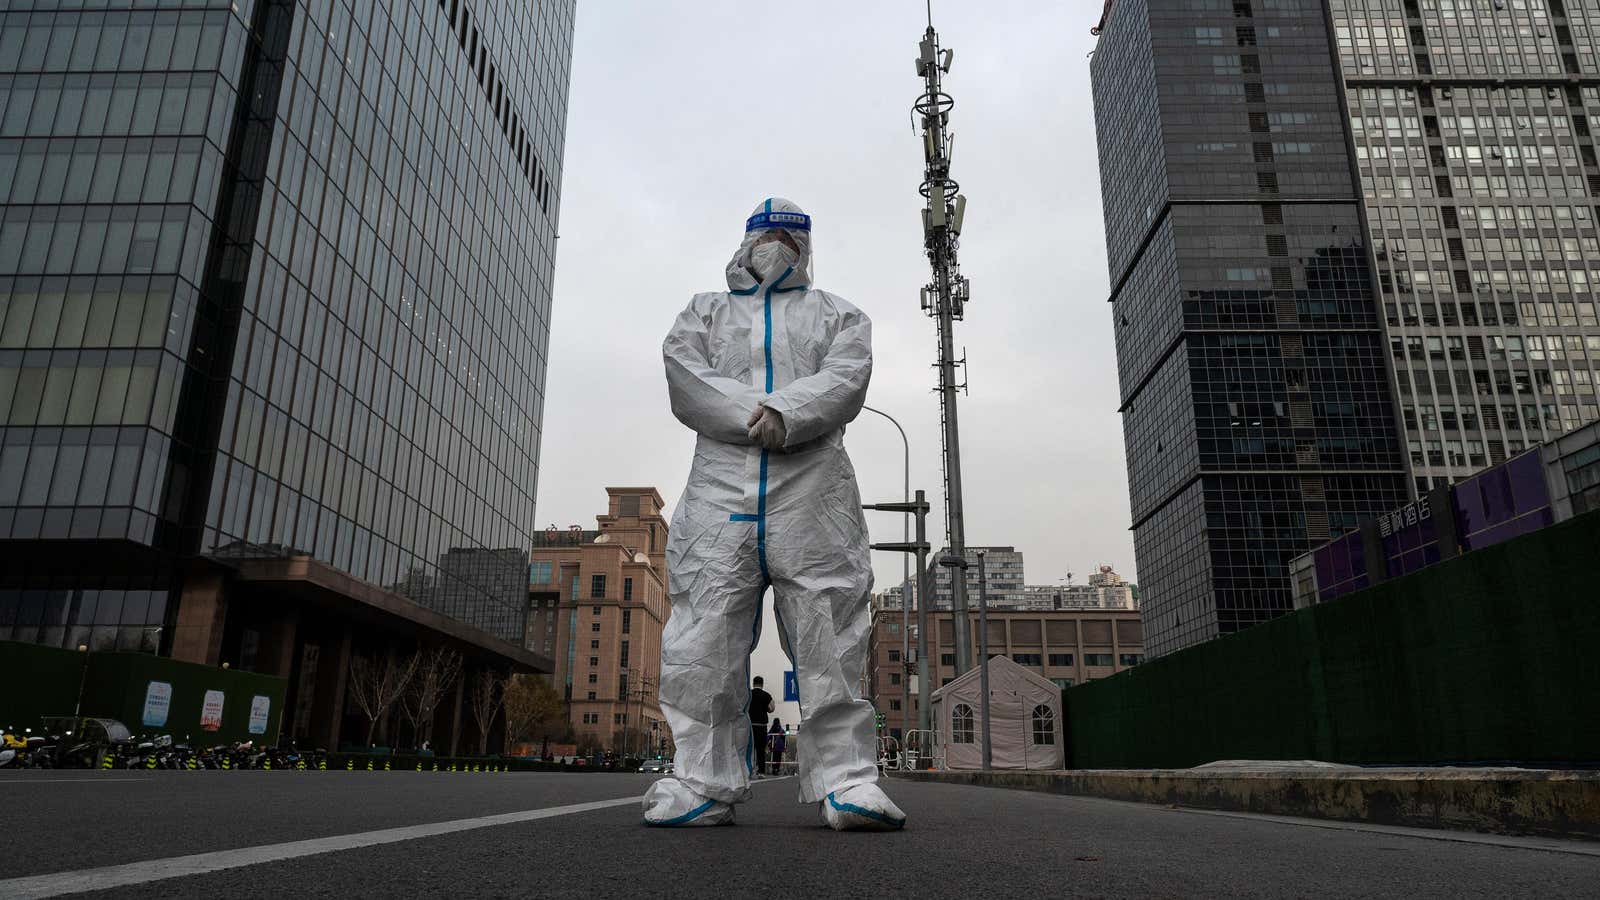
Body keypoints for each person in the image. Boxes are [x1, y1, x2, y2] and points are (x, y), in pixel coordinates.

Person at [642, 198, 906, 831]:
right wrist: (755, 415)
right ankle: (700, 781)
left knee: (830, 631)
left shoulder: (838, 315)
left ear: (806, 248)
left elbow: (847, 376)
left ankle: (848, 782)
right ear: (747, 240)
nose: (779, 244)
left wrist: (788, 412)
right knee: (703, 632)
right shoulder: (703, 312)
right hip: (720, 492)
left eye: (791, 236)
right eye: (769, 234)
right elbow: (685, 375)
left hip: (811, 491)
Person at [749, 676, 774, 778]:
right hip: (762, 726)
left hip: (750, 726)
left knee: (750, 749)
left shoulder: (748, 694)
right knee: (760, 750)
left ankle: (749, 771)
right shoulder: (767, 695)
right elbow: (772, 708)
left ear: (753, 683)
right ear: (762, 684)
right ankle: (761, 772)